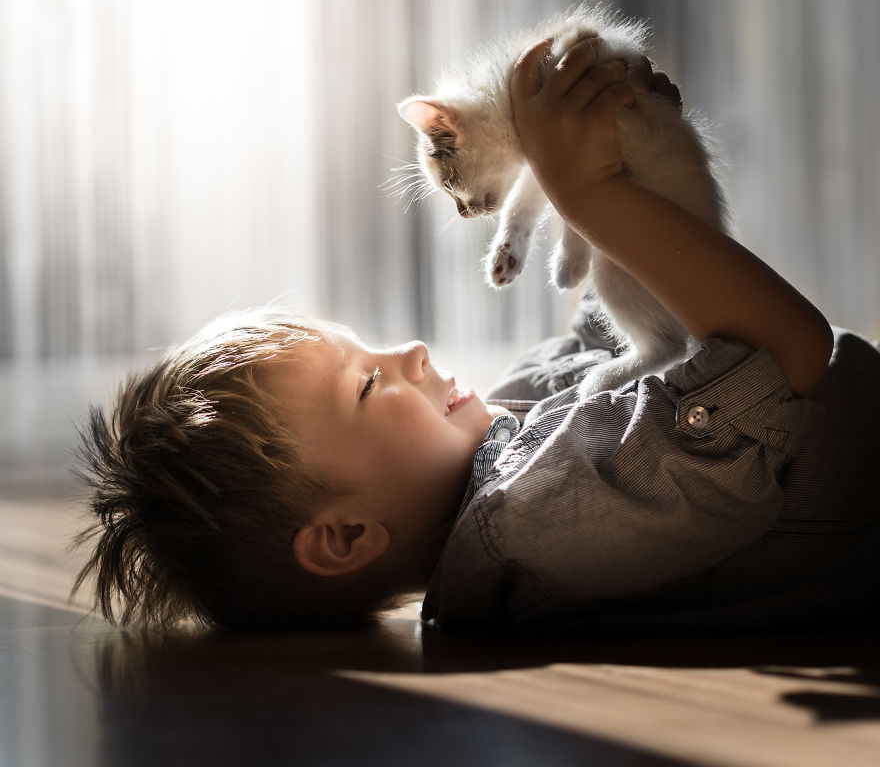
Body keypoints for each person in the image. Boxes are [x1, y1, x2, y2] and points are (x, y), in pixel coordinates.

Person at [73, 40, 880, 633]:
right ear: (346, 534)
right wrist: (592, 193)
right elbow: (784, 355)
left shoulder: (500, 436)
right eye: (367, 384)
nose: (413, 352)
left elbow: (637, 336)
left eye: (371, 346)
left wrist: (636, 160)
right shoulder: (536, 521)